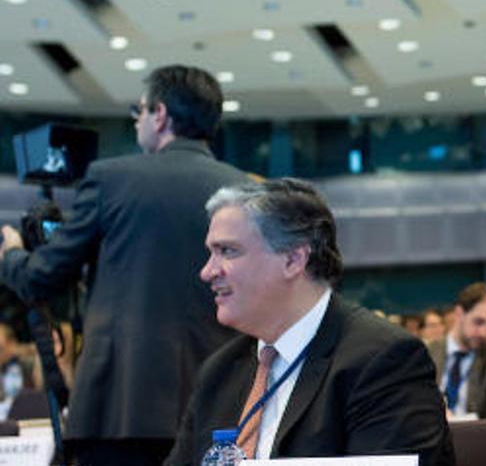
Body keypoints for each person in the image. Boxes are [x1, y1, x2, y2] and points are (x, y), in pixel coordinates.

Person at [0, 65, 246, 464]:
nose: (137, 120)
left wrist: (10, 254)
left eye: (141, 110)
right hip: (221, 410)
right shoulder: (246, 190)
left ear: (161, 114)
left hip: (120, 410)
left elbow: (40, 277)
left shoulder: (110, 178)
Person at [167, 179, 453, 465]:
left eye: (227, 251)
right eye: (211, 252)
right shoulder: (219, 372)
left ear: (293, 260)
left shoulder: (383, 362)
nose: (207, 271)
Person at [428, 283, 486, 420]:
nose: (484, 333)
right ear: (459, 313)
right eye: (478, 322)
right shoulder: (427, 353)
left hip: (473, 437)